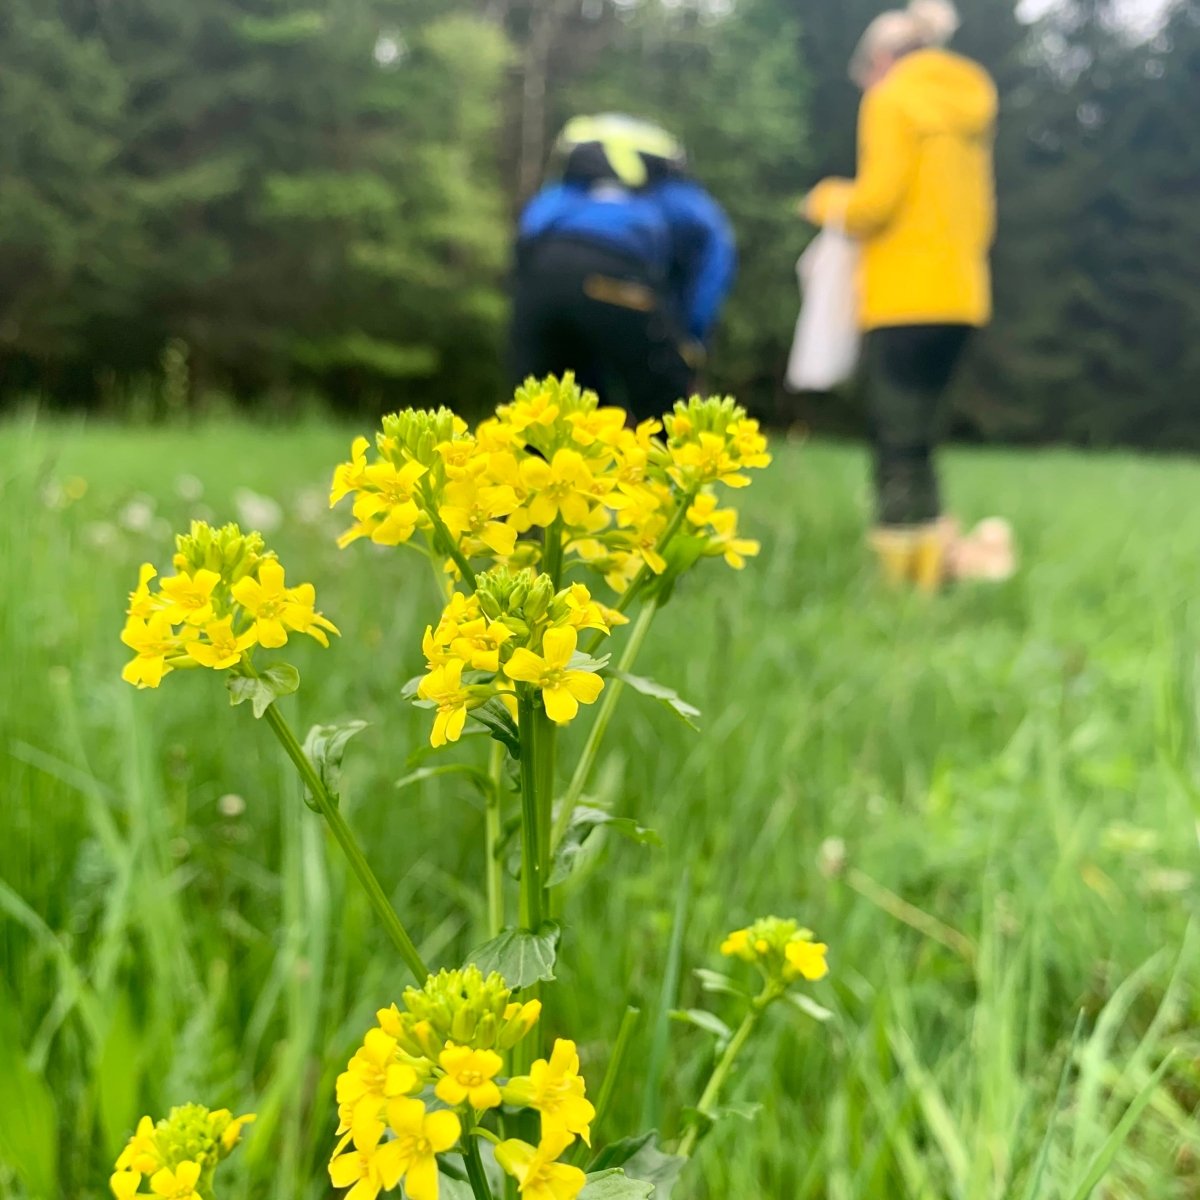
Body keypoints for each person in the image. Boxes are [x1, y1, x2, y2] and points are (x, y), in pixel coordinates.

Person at [804, 0, 998, 591]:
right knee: (922, 440)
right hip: (962, 295)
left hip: (903, 295)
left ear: (883, 59)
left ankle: (899, 583)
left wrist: (824, 200)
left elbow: (876, 203)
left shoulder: (891, 100)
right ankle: (935, 570)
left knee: (894, 439)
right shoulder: (970, 106)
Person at [511, 114, 736, 422]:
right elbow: (715, 248)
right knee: (666, 404)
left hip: (543, 274)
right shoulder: (669, 193)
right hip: (619, 274)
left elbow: (526, 235)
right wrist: (692, 334)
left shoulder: (562, 192)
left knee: (546, 405)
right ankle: (678, 450)